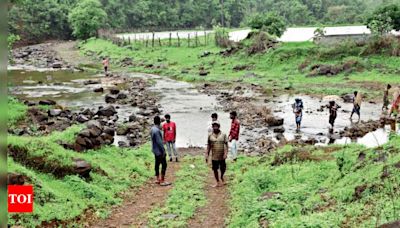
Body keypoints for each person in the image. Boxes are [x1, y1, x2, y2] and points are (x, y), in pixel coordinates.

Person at [205, 121, 228, 188]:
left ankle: (221, 177)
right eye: (214, 126)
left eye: (216, 126)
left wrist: (226, 153)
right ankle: (217, 181)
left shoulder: (223, 135)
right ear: (212, 127)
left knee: (223, 168)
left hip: (222, 155)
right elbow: (209, 146)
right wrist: (207, 155)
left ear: (219, 126)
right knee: (215, 169)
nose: (215, 127)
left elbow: (226, 145)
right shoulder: (210, 135)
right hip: (214, 156)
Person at [150, 116, 169, 186]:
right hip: (159, 151)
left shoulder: (152, 129)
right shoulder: (157, 131)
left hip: (155, 150)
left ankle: (157, 179)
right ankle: (162, 181)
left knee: (157, 164)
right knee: (164, 165)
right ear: (159, 122)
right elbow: (159, 143)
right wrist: (163, 151)